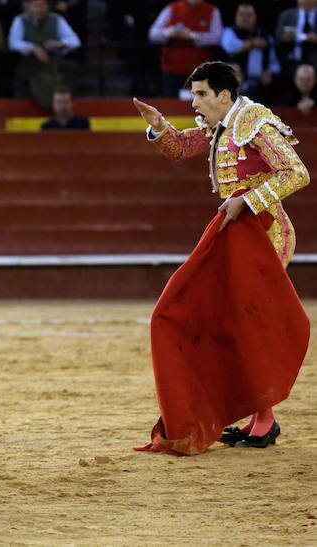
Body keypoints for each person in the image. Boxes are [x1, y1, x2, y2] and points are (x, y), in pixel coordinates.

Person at [132, 61, 310, 456]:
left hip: (265, 233)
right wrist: (159, 125)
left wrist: (245, 199)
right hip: (237, 233)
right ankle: (259, 417)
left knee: (246, 324)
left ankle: (263, 420)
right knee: (234, 324)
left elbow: (297, 173)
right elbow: (181, 147)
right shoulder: (224, 125)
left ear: (224, 95)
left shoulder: (253, 122)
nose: (195, 102)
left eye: (201, 94)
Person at [7, 0, 81, 110]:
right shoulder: (20, 19)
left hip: (50, 73)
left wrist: (61, 43)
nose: (39, 10)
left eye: (42, 6)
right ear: (29, 7)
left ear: (47, 6)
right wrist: (32, 48)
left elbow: (75, 41)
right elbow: (12, 43)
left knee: (50, 103)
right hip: (26, 73)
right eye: (36, 6)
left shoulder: (56, 19)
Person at [148, 0, 223, 97]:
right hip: (172, 71)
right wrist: (169, 33)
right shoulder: (171, 8)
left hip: (200, 74)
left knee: (199, 107)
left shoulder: (212, 10)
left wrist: (193, 36)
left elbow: (217, 37)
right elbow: (153, 34)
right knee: (172, 107)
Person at [221, 2, 281, 104]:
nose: (245, 18)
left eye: (249, 15)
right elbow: (230, 46)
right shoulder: (229, 32)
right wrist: (252, 43)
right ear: (235, 16)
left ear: (256, 17)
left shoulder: (266, 37)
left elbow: (275, 64)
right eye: (241, 15)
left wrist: (270, 72)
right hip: (235, 85)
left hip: (260, 84)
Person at [274, 0, 317, 102]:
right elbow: (277, 38)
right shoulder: (287, 15)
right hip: (291, 62)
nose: (307, 1)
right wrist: (285, 37)